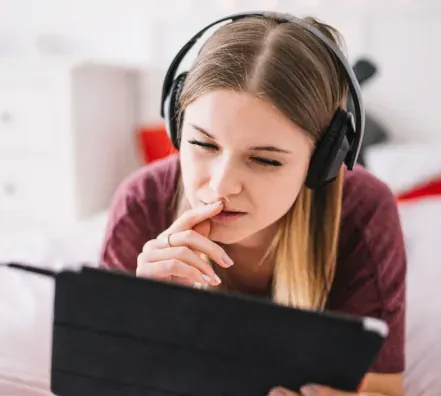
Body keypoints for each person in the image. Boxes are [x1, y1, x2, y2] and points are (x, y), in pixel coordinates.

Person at [101, 12, 406, 396]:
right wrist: (148, 311)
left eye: (265, 159)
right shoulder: (140, 200)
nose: (221, 184)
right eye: (203, 144)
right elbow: (105, 378)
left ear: (321, 163)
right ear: (177, 128)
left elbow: (382, 389)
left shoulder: (365, 209)